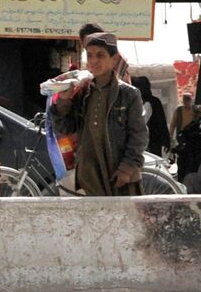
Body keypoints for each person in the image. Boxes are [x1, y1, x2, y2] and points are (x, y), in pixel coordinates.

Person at [50, 32, 146, 195]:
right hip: (89, 176)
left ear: (114, 59)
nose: (93, 61)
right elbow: (65, 128)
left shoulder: (129, 94)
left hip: (118, 177)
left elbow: (139, 135)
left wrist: (126, 169)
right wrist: (63, 101)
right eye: (90, 55)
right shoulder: (82, 91)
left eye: (100, 55)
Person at [134, 73, 171, 157]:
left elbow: (161, 122)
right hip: (148, 142)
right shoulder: (140, 102)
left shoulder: (150, 102)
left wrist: (166, 140)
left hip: (151, 142)